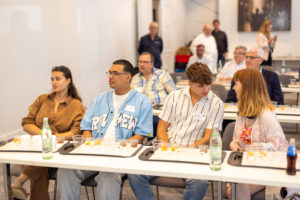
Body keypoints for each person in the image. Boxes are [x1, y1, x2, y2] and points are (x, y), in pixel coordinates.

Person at [57, 60, 153, 200]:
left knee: (108, 176)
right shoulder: (99, 99)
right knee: (66, 171)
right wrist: (88, 140)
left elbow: (141, 135)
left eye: (115, 73)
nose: (110, 76)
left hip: (119, 158)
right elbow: (86, 127)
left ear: (128, 77)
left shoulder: (142, 102)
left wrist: (120, 147)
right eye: (110, 73)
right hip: (93, 154)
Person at [128, 63, 224, 200]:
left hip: (194, 151)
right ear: (189, 84)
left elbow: (208, 136)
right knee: (135, 174)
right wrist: (166, 146)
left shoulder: (216, 103)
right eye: (201, 85)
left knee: (200, 182)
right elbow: (161, 128)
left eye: (209, 84)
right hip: (168, 148)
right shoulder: (174, 96)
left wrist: (188, 149)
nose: (206, 89)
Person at [10, 66, 85, 200]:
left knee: (45, 154)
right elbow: (27, 123)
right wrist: (44, 135)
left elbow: (76, 132)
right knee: (44, 156)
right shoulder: (42, 99)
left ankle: (18, 183)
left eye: (58, 79)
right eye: (52, 79)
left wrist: (53, 138)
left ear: (68, 81)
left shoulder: (76, 105)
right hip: (38, 145)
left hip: (61, 148)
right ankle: (18, 184)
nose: (53, 82)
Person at [228, 68, 288, 200]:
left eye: (237, 84)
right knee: (235, 188)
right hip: (249, 165)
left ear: (247, 88)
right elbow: (236, 139)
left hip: (269, 167)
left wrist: (261, 146)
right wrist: (234, 144)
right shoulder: (241, 113)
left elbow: (281, 149)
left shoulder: (266, 116)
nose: (233, 88)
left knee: (236, 188)